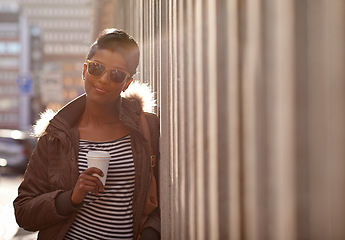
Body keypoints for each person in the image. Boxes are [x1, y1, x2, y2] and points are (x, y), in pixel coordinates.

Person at [13, 28, 160, 240]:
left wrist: (150, 233)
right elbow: (23, 211)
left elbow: (164, 198)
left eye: (116, 74)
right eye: (96, 68)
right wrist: (70, 198)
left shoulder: (147, 128)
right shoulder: (55, 137)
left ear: (126, 83)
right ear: (84, 70)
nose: (103, 79)